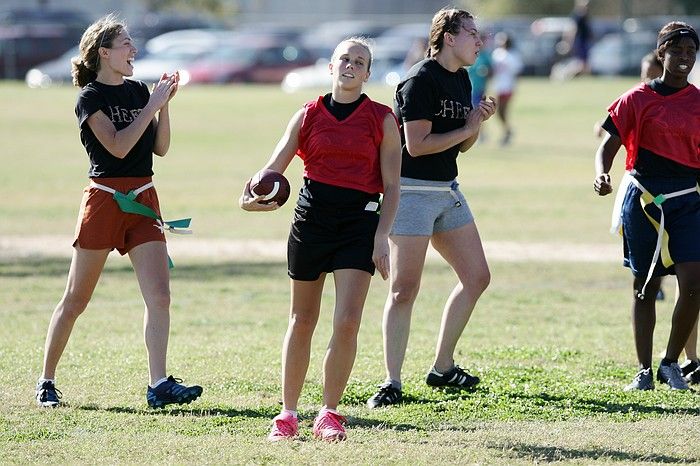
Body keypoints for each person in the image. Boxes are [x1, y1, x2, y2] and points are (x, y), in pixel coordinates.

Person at [34, 14, 203, 408]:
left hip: (143, 199)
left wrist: (164, 106)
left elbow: (158, 149)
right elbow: (118, 147)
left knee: (160, 296)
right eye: (126, 44)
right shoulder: (89, 98)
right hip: (104, 200)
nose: (133, 50)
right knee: (76, 298)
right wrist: (152, 105)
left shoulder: (138, 90)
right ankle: (46, 380)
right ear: (104, 53)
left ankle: (158, 384)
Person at [239, 37, 401, 441]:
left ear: (367, 73)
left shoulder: (381, 119)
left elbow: (394, 187)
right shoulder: (307, 114)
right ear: (331, 66)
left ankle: (329, 413)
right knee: (302, 319)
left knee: (347, 321)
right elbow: (271, 170)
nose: (350, 66)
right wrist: (250, 198)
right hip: (311, 221)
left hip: (359, 223)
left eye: (359, 62)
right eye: (344, 59)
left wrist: (383, 235)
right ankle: (288, 414)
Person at [366, 8, 496, 409]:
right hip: (411, 192)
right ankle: (391, 382)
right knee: (404, 290)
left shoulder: (461, 77)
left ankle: (442, 368)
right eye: (472, 33)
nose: (480, 41)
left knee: (477, 277)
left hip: (446, 190)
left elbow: (460, 143)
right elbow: (417, 145)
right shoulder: (420, 79)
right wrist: (467, 127)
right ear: (449, 37)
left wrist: (475, 122)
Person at [593, 21, 700, 391]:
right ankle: (643, 370)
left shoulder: (698, 102)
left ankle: (671, 363)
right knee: (645, 285)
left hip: (687, 200)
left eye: (691, 52)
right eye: (678, 51)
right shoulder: (636, 99)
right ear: (662, 53)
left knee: (693, 284)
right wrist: (601, 174)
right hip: (643, 201)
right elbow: (607, 146)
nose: (685, 57)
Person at [490, 31, 522, 146]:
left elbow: (517, 72)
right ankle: (507, 131)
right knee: (499, 112)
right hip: (498, 86)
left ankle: (507, 132)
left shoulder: (513, 55)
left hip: (507, 87)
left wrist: (514, 86)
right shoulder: (497, 53)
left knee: (502, 111)